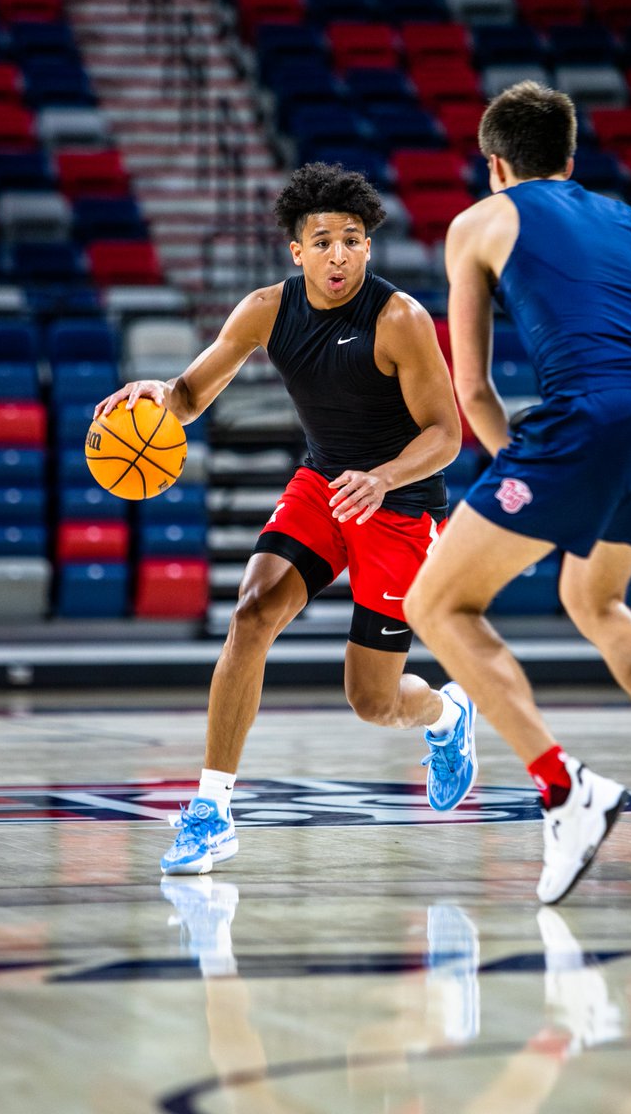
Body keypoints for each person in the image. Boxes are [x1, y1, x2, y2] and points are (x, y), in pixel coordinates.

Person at [403, 81, 631, 905]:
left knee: (437, 607)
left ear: (494, 164)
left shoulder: (479, 222)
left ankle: (567, 790)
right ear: (570, 156)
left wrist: (522, 478)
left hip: (589, 418)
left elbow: (476, 392)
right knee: (594, 599)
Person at [95, 162, 476, 876]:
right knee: (251, 612)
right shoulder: (266, 309)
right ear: (296, 251)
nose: (339, 254)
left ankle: (449, 716)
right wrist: (156, 396)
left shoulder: (401, 320)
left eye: (353, 240)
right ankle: (210, 810)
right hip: (324, 484)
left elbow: (446, 436)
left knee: (372, 700)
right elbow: (188, 394)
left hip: (399, 505)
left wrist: (385, 476)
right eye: (323, 241)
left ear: (369, 247)